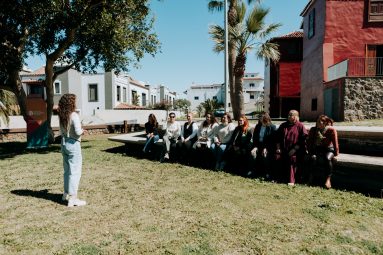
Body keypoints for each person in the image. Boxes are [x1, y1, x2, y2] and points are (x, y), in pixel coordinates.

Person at [58, 94, 86, 207]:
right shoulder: (74, 115)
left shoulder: (62, 115)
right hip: (73, 144)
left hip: (63, 143)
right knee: (75, 172)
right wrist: (83, 129)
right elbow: (78, 132)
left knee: (67, 170)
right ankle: (73, 199)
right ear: (71, 103)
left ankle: (65, 194)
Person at [276, 110, 308, 186]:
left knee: (292, 158)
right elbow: (278, 137)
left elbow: (303, 139)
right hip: (284, 148)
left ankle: (291, 180)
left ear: (296, 117)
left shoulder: (300, 126)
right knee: (277, 156)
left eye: (292, 115)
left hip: (297, 150)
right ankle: (278, 177)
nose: (289, 116)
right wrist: (278, 148)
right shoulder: (283, 125)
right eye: (289, 115)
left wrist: (294, 149)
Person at [307, 114, 339, 189]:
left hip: (329, 149)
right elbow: (309, 142)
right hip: (318, 148)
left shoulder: (331, 130)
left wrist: (336, 154)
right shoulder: (313, 130)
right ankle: (311, 177)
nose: (317, 123)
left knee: (327, 158)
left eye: (319, 122)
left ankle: (328, 179)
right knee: (313, 158)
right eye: (317, 121)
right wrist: (310, 152)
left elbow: (335, 142)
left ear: (325, 123)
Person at [249, 112, 277, 179]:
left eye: (263, 120)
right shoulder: (258, 126)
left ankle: (267, 172)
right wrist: (255, 147)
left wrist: (266, 148)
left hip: (268, 146)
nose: (262, 121)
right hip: (258, 145)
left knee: (265, 155)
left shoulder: (272, 127)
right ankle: (253, 171)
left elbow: (272, 141)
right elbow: (255, 138)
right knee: (253, 154)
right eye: (260, 119)